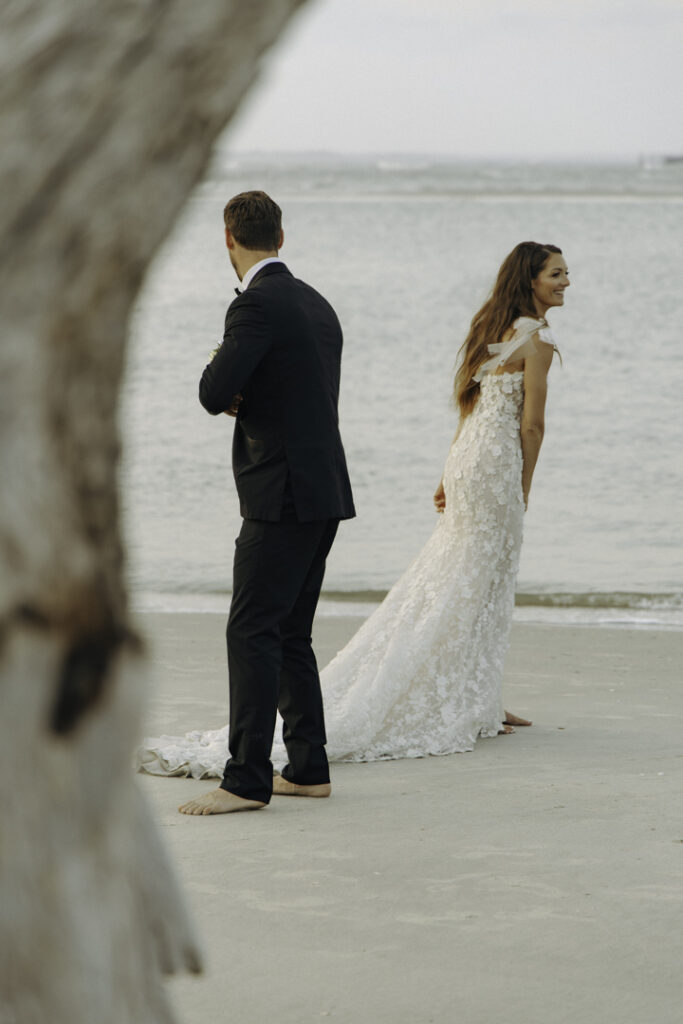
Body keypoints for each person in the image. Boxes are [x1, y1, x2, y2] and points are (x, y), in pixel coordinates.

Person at [138, 240, 567, 780]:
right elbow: (532, 425)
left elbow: (470, 406)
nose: (566, 281)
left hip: (466, 460)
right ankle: (462, 698)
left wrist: (449, 469)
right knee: (480, 579)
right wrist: (525, 484)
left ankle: (475, 694)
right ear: (530, 279)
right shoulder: (539, 339)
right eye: (557, 272)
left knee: (459, 574)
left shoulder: (490, 331)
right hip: (483, 468)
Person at [175, 191, 355, 815]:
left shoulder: (254, 307)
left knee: (250, 630)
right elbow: (299, 389)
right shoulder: (316, 302)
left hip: (279, 491)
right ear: (282, 235)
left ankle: (246, 779)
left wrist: (231, 389)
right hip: (324, 486)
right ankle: (307, 767)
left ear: (229, 237)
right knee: (289, 633)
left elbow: (212, 390)